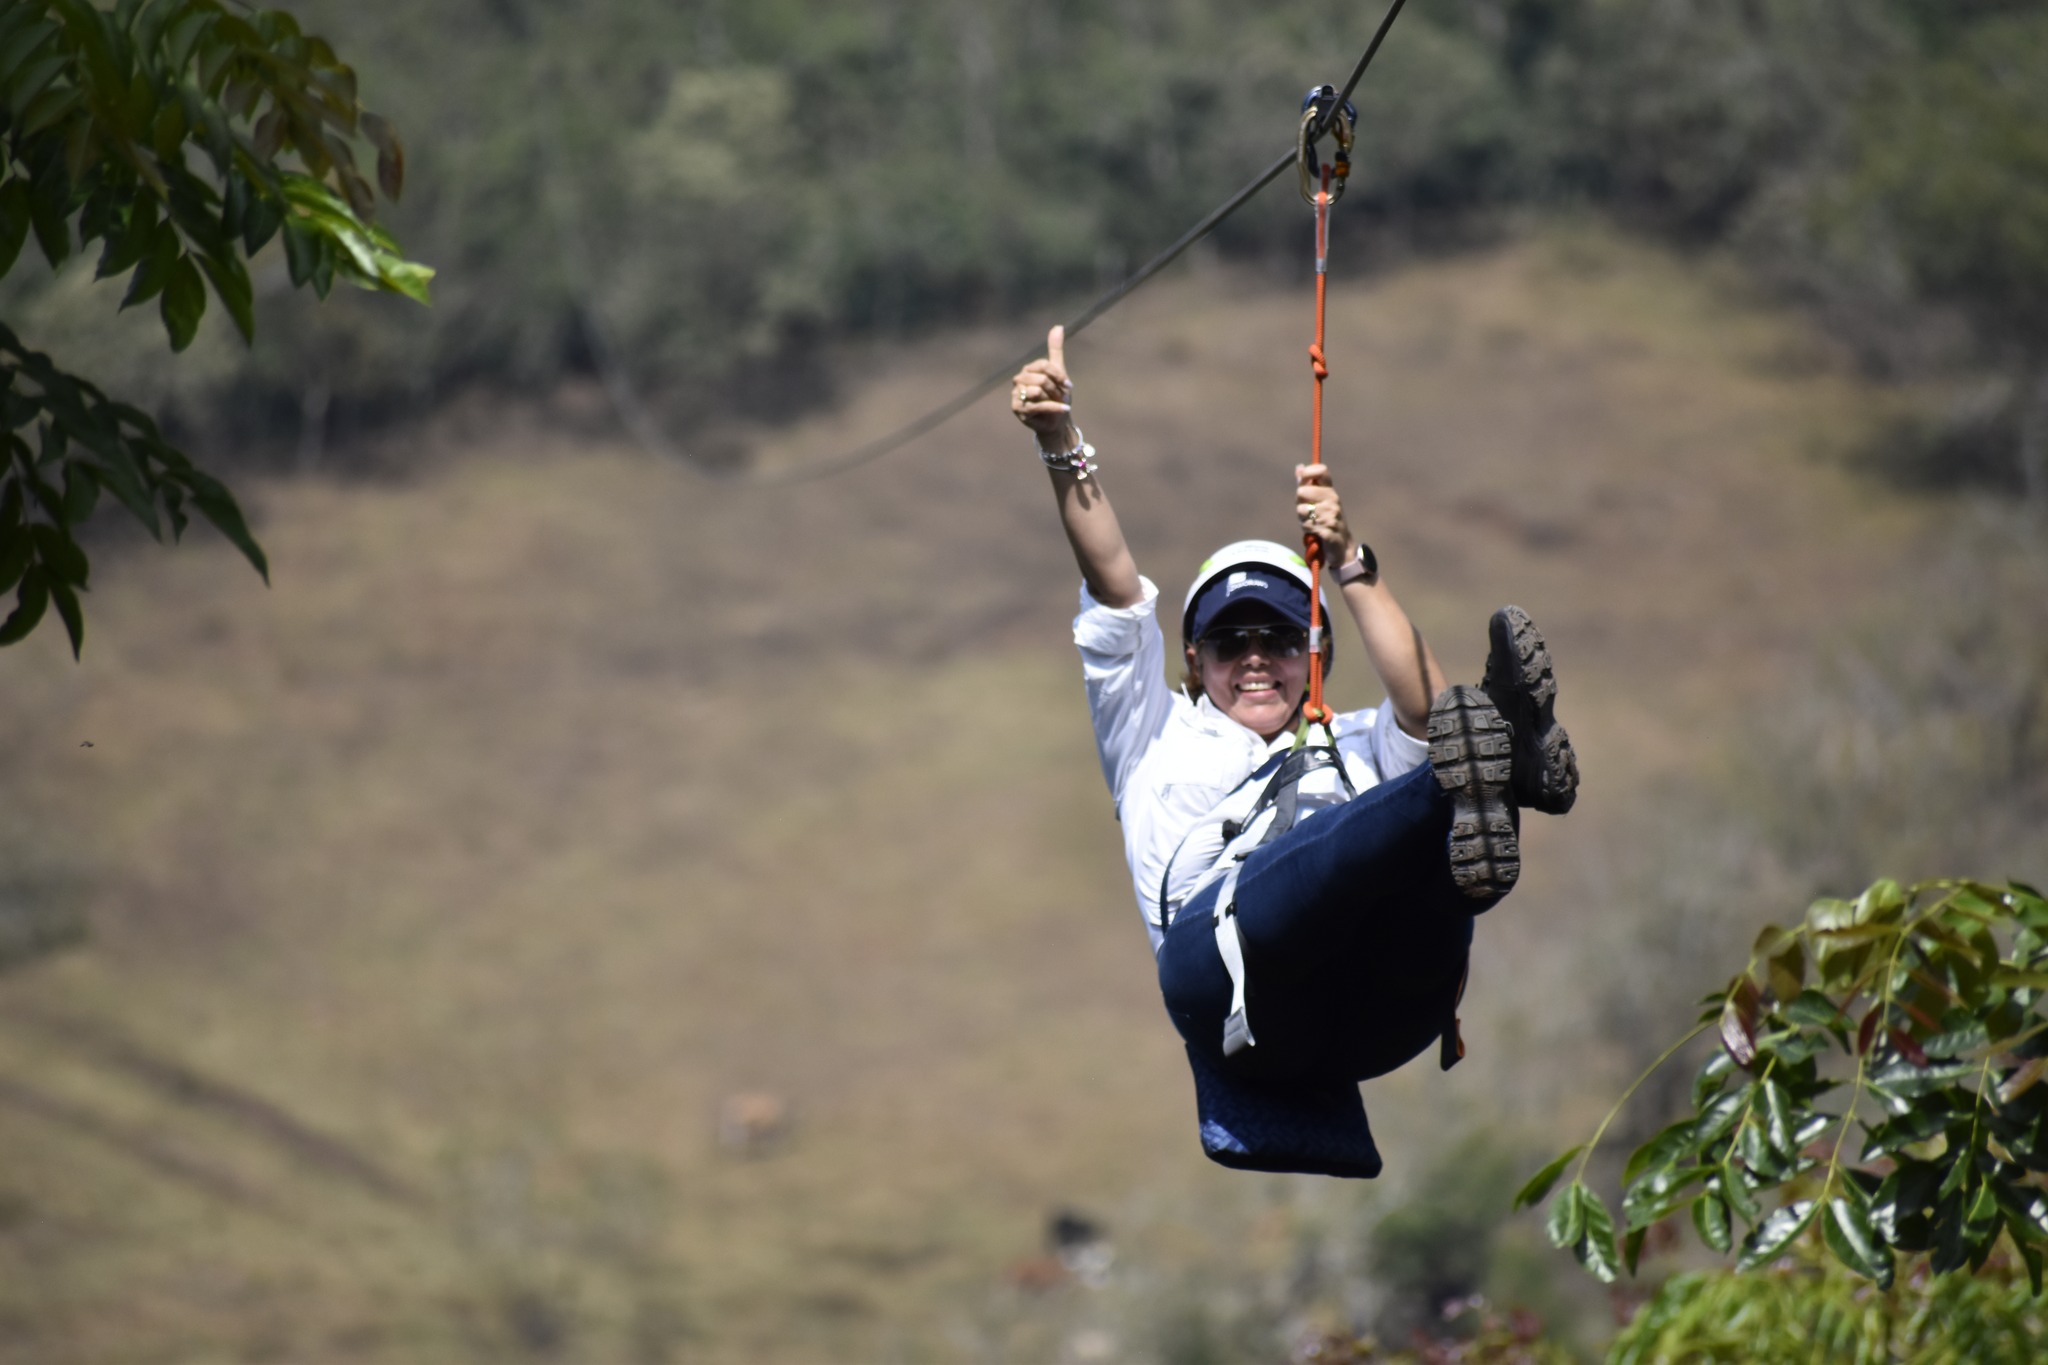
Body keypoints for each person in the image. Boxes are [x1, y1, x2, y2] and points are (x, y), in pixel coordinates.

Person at [1010, 326, 1579, 1178]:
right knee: (1415, 798)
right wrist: (1062, 442)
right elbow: (1117, 585)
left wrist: (1350, 559)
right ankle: (1500, 757)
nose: (1252, 658)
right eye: (1227, 640)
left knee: (1437, 795)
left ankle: (1495, 765)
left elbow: (1425, 711)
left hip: (1382, 1011)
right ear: (1192, 664)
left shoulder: (1348, 741)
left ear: (1315, 654)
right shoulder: (1153, 734)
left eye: (1278, 639)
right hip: (1232, 991)